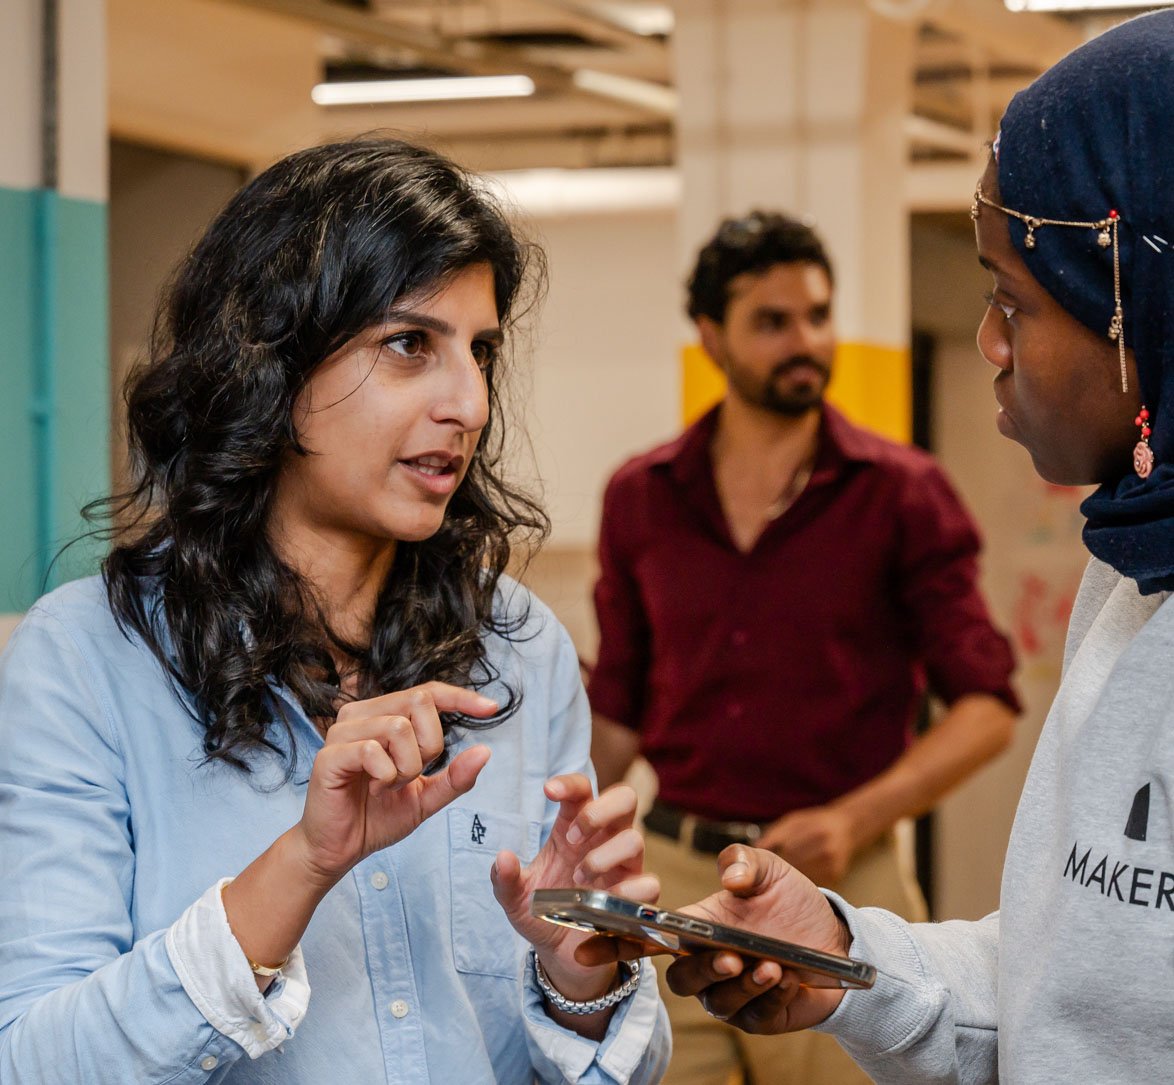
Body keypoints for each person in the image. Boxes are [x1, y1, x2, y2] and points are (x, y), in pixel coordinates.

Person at [0, 138, 670, 1084]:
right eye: (409, 346)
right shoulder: (87, 661)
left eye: (479, 352)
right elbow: (30, 1061)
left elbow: (595, 1062)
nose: (469, 403)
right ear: (268, 359)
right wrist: (301, 865)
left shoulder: (517, 653)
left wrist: (576, 982)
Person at [649, 10, 1174, 1082]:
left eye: (1011, 300)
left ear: (1137, 301)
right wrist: (848, 952)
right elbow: (1058, 997)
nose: (989, 341)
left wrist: (850, 829)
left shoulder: (900, 494)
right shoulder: (1126, 574)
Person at [588, 208, 1019, 1082]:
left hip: (847, 879)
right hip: (680, 873)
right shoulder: (642, 496)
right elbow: (618, 714)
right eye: (772, 321)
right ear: (711, 337)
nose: (805, 341)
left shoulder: (904, 493)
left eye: (818, 316)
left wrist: (855, 819)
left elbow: (986, 707)